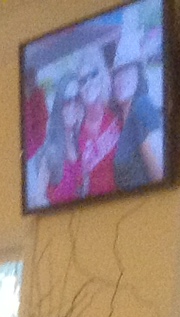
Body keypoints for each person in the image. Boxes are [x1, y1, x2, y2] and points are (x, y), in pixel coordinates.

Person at [110, 33, 165, 191]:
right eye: (117, 74)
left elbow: (160, 175)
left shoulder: (142, 106)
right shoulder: (119, 117)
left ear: (138, 74)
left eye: (127, 70)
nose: (121, 79)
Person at [72, 52, 121, 201]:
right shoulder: (76, 133)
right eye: (82, 81)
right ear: (79, 89)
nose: (88, 83)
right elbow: (78, 188)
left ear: (102, 76)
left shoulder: (118, 114)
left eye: (93, 75)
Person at [29, 78, 84, 208]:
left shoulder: (81, 140)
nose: (72, 106)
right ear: (59, 106)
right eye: (67, 101)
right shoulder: (50, 149)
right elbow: (39, 198)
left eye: (77, 99)